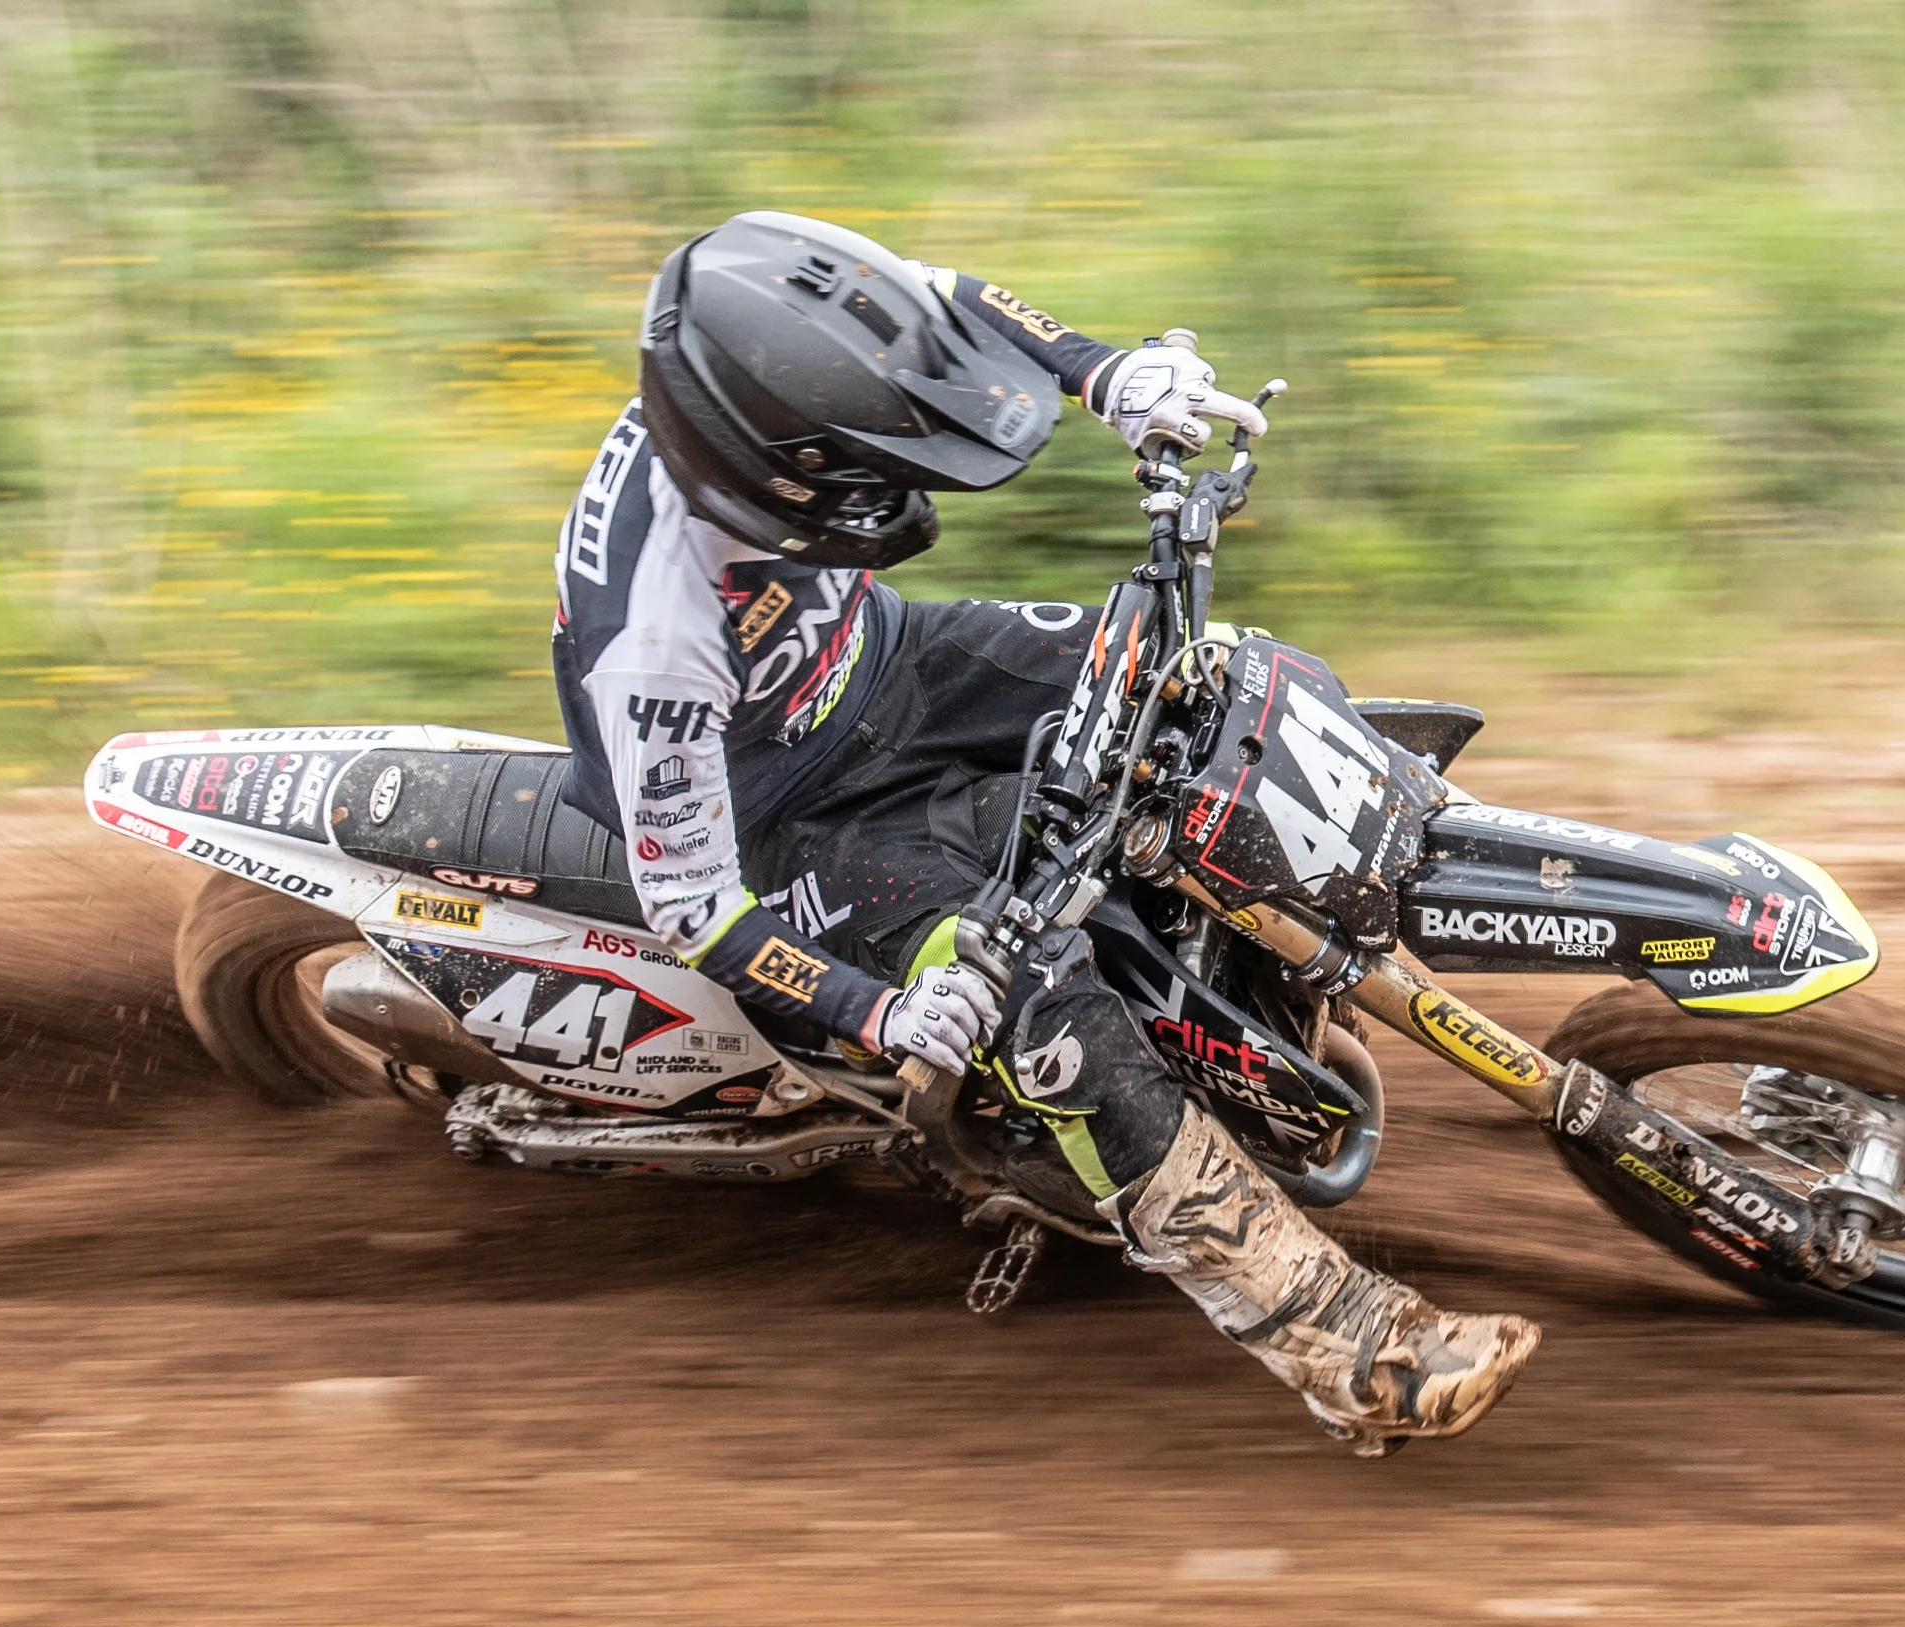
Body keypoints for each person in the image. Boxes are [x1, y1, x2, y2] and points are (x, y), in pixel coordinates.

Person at [550, 211, 1537, 1454]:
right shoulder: (656, 639)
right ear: (775, 472)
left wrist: (1104, 371)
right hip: (785, 816)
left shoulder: (762, 369)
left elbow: (938, 298)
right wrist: (882, 1014)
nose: (902, 480)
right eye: (872, 469)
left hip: (887, 663)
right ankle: (1334, 1342)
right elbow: (692, 904)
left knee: (1204, 684)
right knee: (1036, 1007)